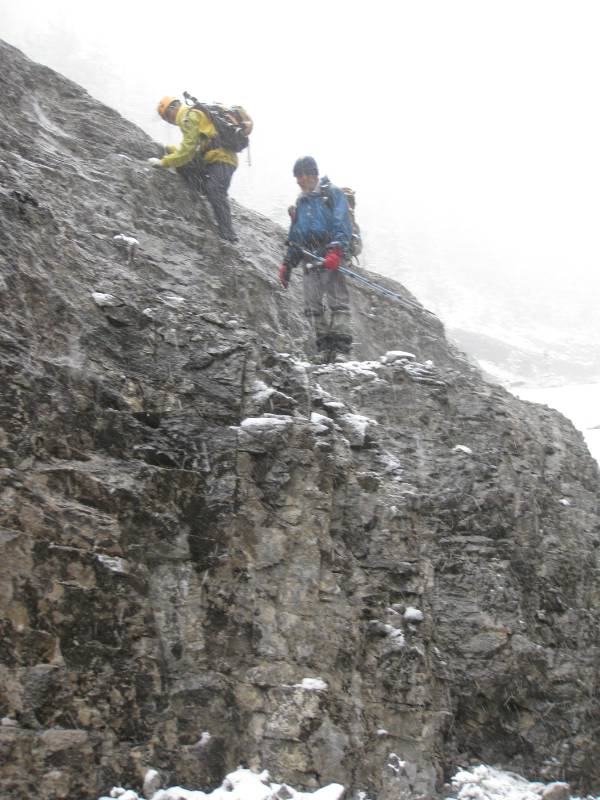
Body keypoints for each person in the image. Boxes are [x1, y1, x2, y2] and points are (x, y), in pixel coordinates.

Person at [279, 156, 354, 363]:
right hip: (309, 257)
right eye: (297, 177)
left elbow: (341, 223)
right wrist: (288, 263)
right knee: (312, 304)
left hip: (330, 254)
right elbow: (296, 235)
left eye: (299, 176)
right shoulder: (301, 202)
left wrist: (336, 250)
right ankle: (323, 349)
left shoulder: (332, 194)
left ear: (309, 175)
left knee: (337, 301)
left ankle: (340, 350)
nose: (298, 181)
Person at [149, 96, 238, 243]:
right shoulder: (192, 115)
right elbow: (190, 150)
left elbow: (187, 152)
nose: (168, 120)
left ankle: (229, 236)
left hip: (222, 159)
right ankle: (225, 232)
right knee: (205, 184)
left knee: (216, 192)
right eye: (165, 118)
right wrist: (170, 150)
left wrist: (163, 162)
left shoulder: (189, 116)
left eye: (166, 116)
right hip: (216, 159)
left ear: (173, 108)